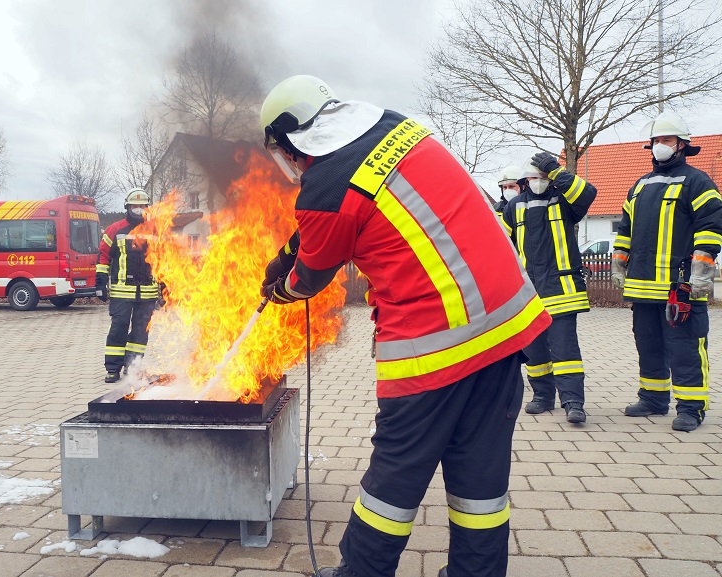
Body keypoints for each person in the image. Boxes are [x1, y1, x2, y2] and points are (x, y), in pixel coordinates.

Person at [259, 74, 551, 577]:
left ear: (288, 144)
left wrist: (279, 285)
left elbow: (309, 276)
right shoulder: (397, 128)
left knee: (394, 478)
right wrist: (289, 247)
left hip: (435, 341)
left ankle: (362, 572)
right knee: (480, 476)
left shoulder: (323, 188)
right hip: (506, 326)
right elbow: (339, 220)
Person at [612, 110, 722, 432]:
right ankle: (653, 398)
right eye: (656, 140)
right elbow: (626, 228)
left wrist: (702, 271)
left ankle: (690, 408)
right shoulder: (640, 185)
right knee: (648, 344)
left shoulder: (698, 181)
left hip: (680, 286)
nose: (660, 145)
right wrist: (620, 261)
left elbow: (711, 227)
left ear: (682, 145)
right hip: (643, 287)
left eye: (667, 140)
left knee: (686, 347)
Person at [501, 154, 597, 424]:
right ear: (524, 181)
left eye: (542, 177)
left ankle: (573, 402)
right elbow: (502, 245)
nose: (538, 182)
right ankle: (542, 397)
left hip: (561, 290)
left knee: (565, 350)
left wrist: (555, 171)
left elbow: (588, 194)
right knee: (534, 351)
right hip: (529, 293)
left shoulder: (565, 201)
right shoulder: (515, 207)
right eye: (533, 178)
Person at [95, 188, 160, 383]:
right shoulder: (115, 229)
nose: (139, 210)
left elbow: (164, 260)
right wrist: (100, 283)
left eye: (142, 206)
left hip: (147, 293)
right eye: (135, 206)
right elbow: (103, 257)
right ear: (127, 207)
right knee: (119, 328)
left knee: (141, 331)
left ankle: (132, 368)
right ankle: (112, 369)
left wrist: (165, 287)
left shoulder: (156, 231)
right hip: (122, 292)